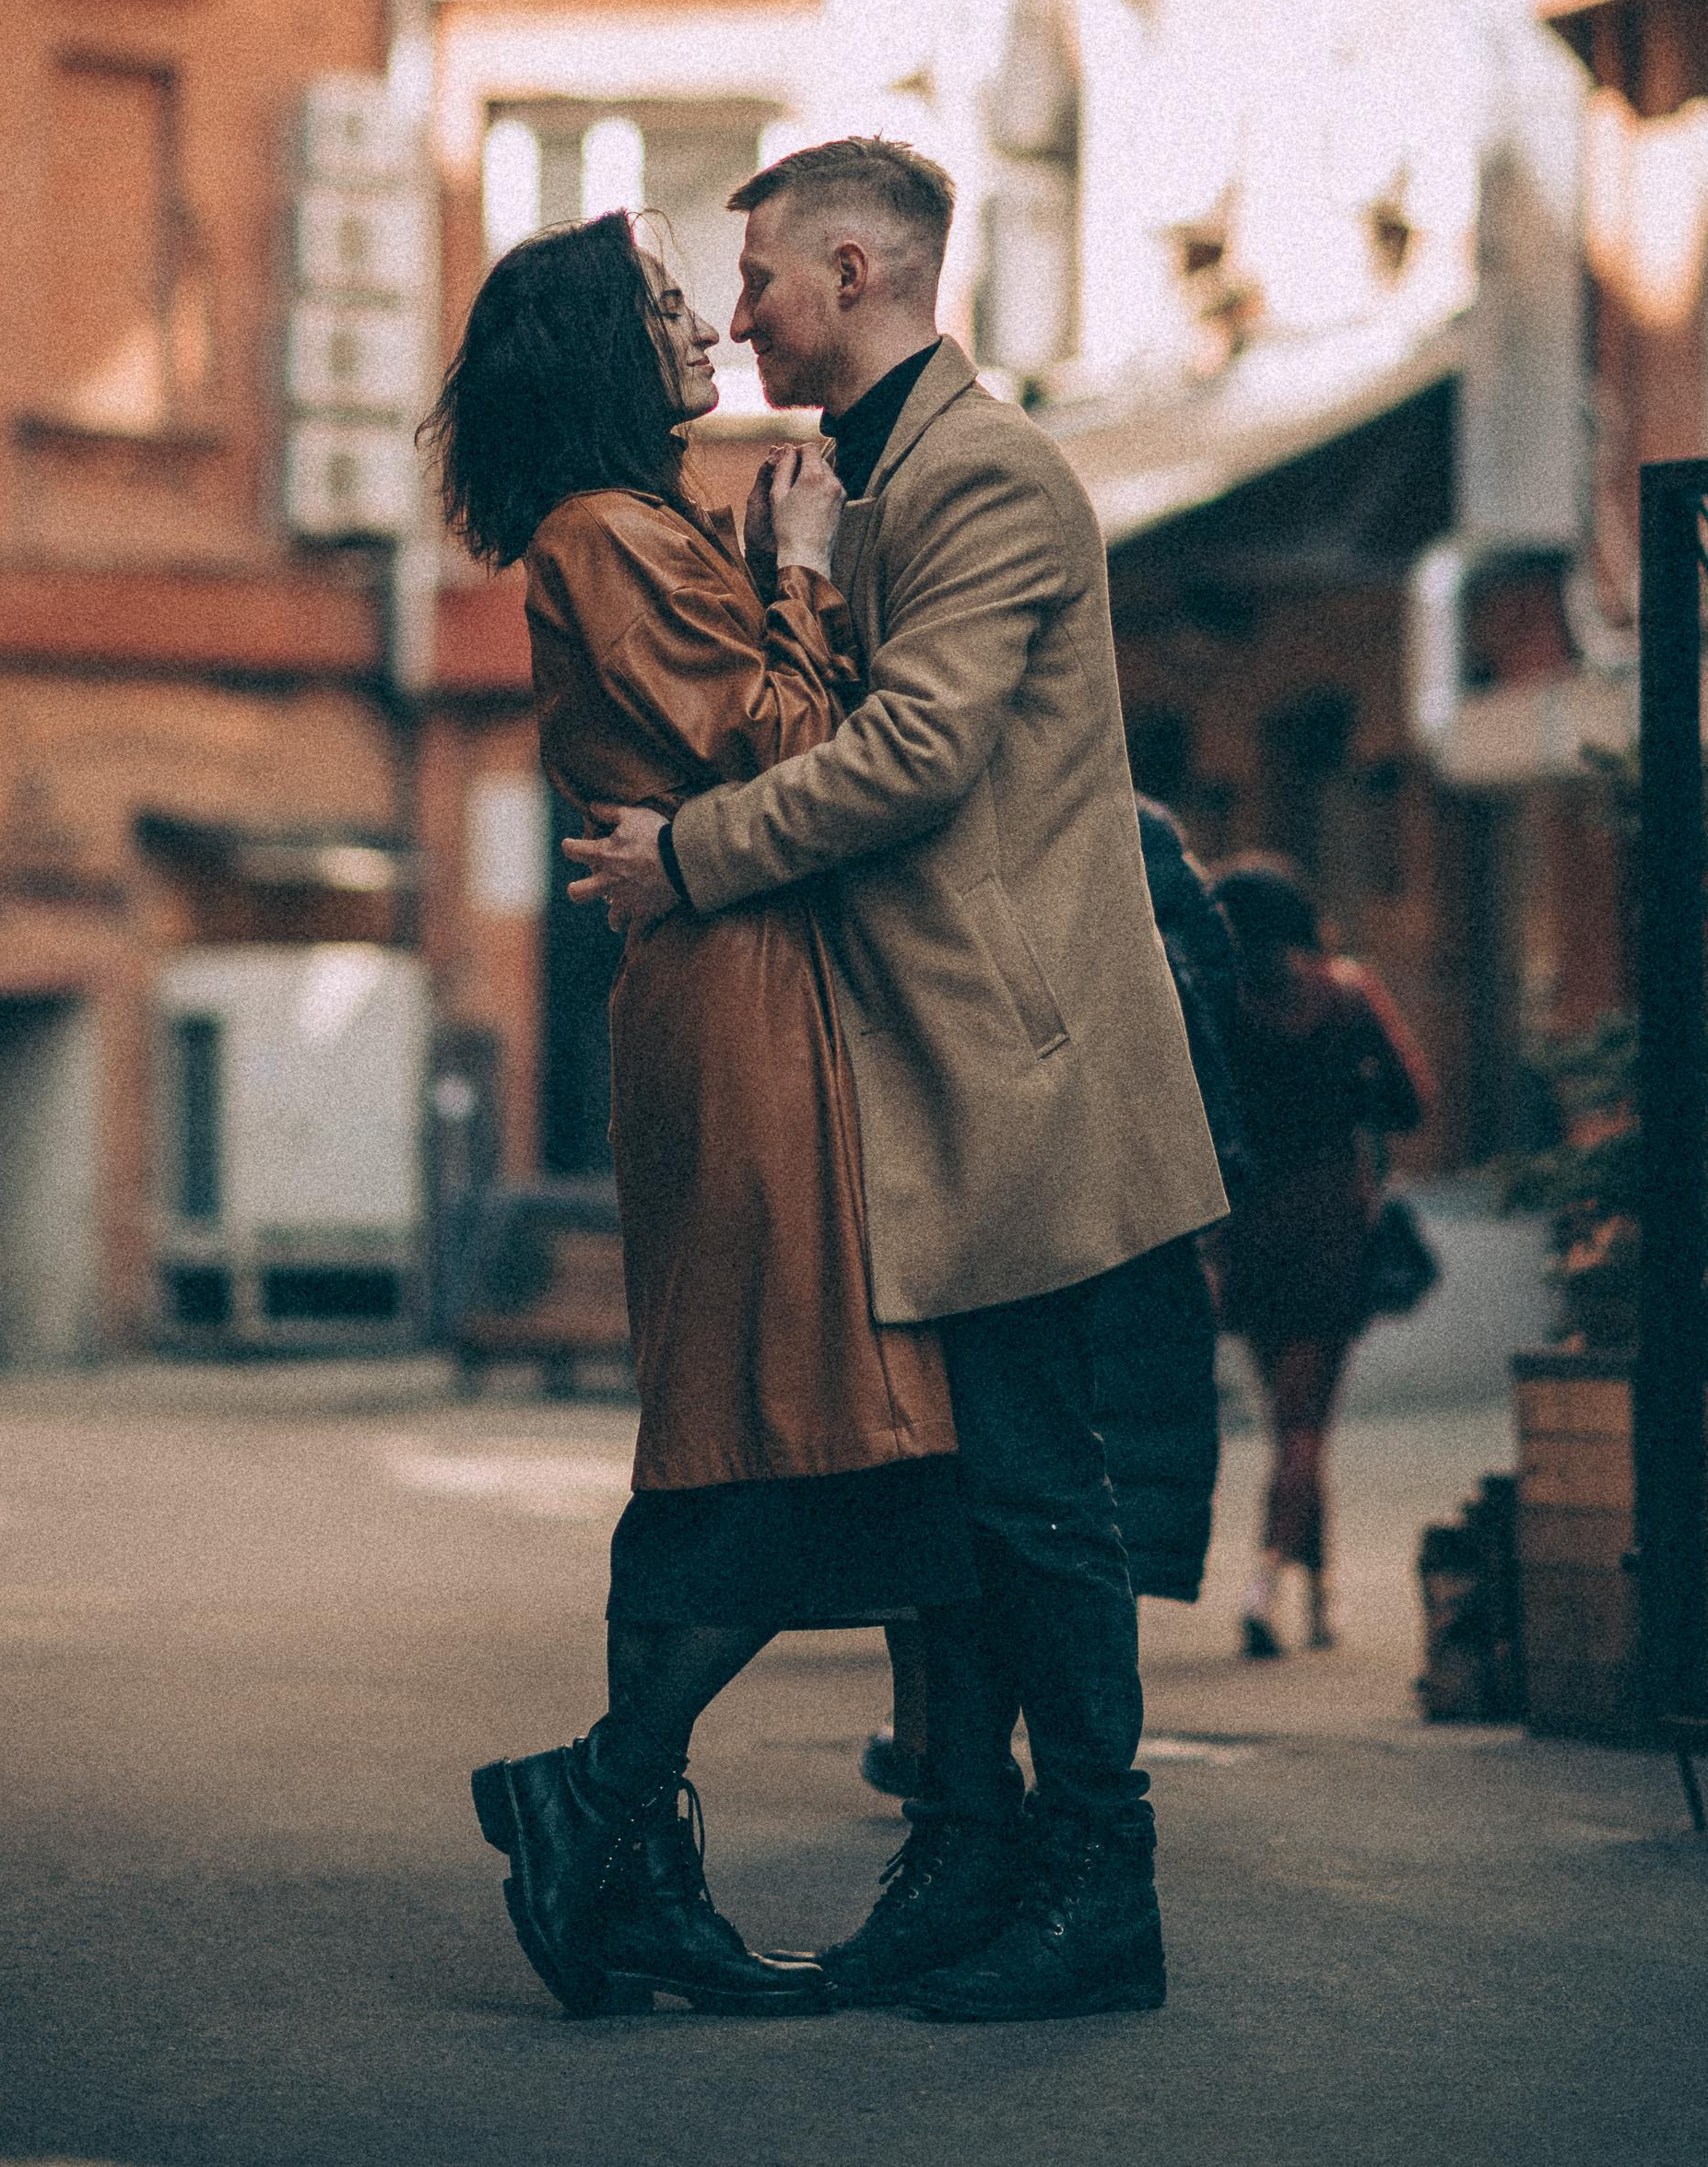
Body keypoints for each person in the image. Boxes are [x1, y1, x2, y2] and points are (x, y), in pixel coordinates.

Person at [564, 138, 1228, 2023]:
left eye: (760, 273)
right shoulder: (861, 479)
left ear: (856, 268)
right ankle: (965, 1851)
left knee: (1031, 1491)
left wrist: (683, 856)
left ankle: (1101, 1886)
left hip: (996, 1064)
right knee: (972, 1493)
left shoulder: (987, 473)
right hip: (917, 1060)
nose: (742, 307)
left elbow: (917, 754)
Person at [432, 209, 979, 2020]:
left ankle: (623, 1858)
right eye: (664, 305)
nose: (699, 325)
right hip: (737, 1005)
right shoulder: (611, 534)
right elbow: (792, 744)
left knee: (753, 1410)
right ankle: (597, 1798)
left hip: (736, 986)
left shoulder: (636, 530)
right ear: (601, 353)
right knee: (770, 1405)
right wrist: (808, 570)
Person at [859, 801, 1244, 1797]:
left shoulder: (1009, 851)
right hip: (1143, 1213)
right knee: (1069, 1506)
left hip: (1040, 1203)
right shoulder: (1148, 863)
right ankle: (1031, 1780)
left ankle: (968, 1764)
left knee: (999, 1496)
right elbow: (1217, 1025)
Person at [1208, 856, 1433, 1659]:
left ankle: (1319, 1598)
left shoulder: (1221, 1005)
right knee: (1305, 1424)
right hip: (1332, 1220)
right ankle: (1266, 1587)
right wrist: (1348, 1095)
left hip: (1250, 1225)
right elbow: (1412, 1102)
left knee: (1289, 1418)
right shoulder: (1346, 993)